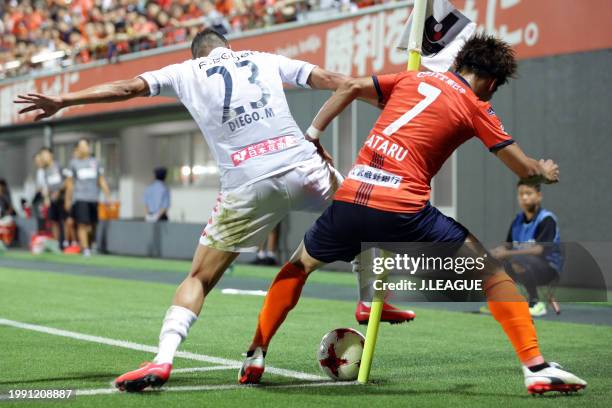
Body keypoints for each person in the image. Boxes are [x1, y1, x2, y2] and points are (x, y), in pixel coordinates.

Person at [14, 28, 413, 392]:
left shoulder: (184, 72)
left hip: (246, 185)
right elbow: (333, 81)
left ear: (197, 54)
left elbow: (125, 89)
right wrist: (384, 97)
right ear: (227, 47)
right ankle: (367, 297)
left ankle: (163, 360)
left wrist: (64, 100)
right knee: (366, 213)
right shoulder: (264, 58)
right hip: (303, 168)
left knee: (199, 279)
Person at [238, 34, 586, 395]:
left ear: (458, 63)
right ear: (492, 82)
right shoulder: (476, 105)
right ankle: (536, 367)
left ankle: (256, 353)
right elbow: (522, 168)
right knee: (490, 274)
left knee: (297, 267)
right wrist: (541, 170)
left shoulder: (411, 78)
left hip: (351, 201)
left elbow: (352, 86)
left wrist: (311, 136)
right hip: (402, 212)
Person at [488, 181, 562, 317]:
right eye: (521, 194)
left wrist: (507, 253)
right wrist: (493, 253)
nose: (524, 197)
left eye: (528, 193)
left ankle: (536, 303)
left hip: (548, 268)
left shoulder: (546, 220)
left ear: (539, 196)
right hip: (522, 264)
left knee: (516, 259)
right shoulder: (517, 220)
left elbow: (538, 250)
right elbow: (507, 245)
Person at [64, 138, 112, 256]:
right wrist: (68, 199)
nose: (85, 148)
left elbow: (101, 180)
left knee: (92, 225)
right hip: (80, 197)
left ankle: (91, 244)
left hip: (93, 198)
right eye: (82, 146)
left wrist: (108, 197)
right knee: (82, 223)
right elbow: (70, 183)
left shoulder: (96, 162)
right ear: (77, 149)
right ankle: (85, 249)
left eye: (87, 146)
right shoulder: (73, 163)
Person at [38, 147, 67, 242]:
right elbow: (47, 186)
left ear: (51, 155)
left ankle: (66, 243)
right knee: (54, 221)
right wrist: (47, 197)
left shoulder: (59, 166)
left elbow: (68, 180)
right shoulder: (45, 170)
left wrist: (59, 191)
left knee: (65, 221)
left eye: (45, 154)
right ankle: (56, 243)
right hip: (52, 200)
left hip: (63, 198)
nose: (44, 157)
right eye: (42, 155)